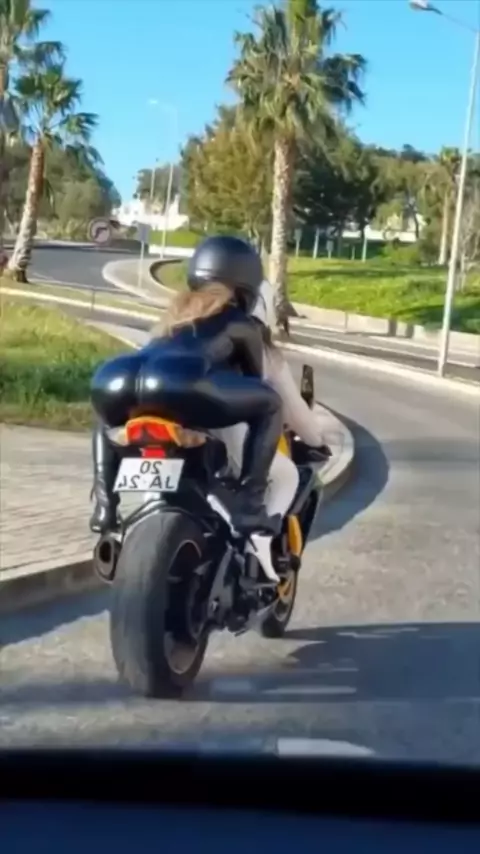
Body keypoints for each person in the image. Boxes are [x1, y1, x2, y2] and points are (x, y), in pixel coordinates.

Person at [89, 235, 283, 541]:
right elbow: (254, 382)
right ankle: (250, 505)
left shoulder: (176, 312)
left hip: (115, 376)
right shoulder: (239, 321)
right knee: (271, 404)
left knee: (107, 417)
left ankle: (105, 507)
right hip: (181, 383)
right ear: (247, 284)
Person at [210, 278, 327, 535]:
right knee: (287, 478)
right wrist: (317, 440)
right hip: (229, 432)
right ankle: (258, 545)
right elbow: (293, 408)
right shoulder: (263, 349)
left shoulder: (193, 330)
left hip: (174, 419)